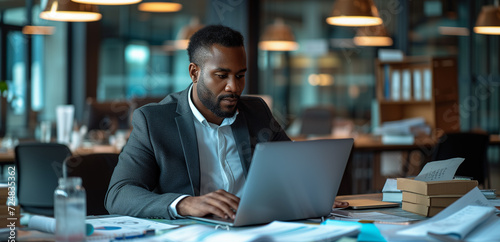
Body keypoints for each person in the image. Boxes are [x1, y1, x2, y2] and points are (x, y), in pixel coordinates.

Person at [105, 25, 347, 220]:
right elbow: (118, 194)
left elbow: (293, 168)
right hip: (193, 238)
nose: (234, 87)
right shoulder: (154, 121)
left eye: (240, 76)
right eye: (221, 76)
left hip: (259, 229)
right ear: (194, 72)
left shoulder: (257, 111)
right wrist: (187, 204)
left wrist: (312, 194)